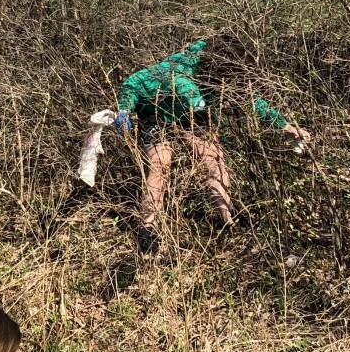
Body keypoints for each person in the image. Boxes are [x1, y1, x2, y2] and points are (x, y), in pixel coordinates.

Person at [112, 38, 309, 251]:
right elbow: (133, 82)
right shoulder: (178, 73)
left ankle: (230, 219)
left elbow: (251, 98)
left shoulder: (228, 65)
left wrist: (284, 125)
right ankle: (148, 230)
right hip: (155, 113)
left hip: (194, 116)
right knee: (160, 164)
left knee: (214, 160)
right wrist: (125, 108)